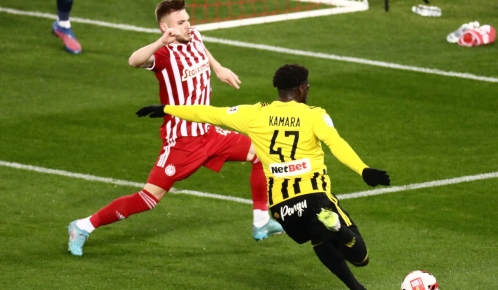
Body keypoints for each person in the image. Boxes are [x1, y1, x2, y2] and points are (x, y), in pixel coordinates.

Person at [136, 64, 391, 290]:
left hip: (281, 207)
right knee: (361, 257)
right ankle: (341, 231)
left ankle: (356, 287)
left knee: (319, 238)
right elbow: (336, 144)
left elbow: (210, 113)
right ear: (301, 89)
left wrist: (166, 108)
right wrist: (363, 170)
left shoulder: (255, 114)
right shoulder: (314, 115)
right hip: (314, 196)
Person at [66, 0, 283, 256]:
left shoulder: (194, 35)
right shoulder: (163, 55)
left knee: (262, 152)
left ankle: (261, 221)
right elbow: (134, 61)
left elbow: (201, 47)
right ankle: (83, 226)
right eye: (181, 22)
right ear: (165, 27)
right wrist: (161, 41)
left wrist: (218, 67)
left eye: (187, 19)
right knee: (148, 198)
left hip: (209, 132)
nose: (188, 25)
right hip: (182, 142)